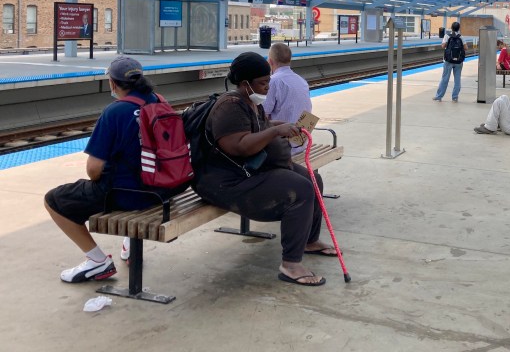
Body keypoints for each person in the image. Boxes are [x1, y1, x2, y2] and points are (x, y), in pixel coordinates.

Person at [193, 52, 334, 287]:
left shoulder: (250, 102)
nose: (268, 87)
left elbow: (259, 127)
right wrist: (274, 132)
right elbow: (238, 146)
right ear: (245, 83)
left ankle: (309, 240)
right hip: (226, 181)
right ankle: (290, 264)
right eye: (263, 82)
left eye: (268, 81)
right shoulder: (229, 106)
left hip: (249, 172)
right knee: (300, 189)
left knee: (312, 179)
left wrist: (277, 125)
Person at [45, 56, 183, 283]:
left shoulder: (115, 112)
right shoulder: (160, 101)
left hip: (131, 197)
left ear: (112, 83)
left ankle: (97, 262)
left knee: (55, 200)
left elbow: (93, 170)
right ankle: (129, 243)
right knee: (131, 170)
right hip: (165, 190)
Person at [262, 42, 312, 134]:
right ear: (289, 60)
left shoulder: (273, 81)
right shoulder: (302, 81)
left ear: (270, 61)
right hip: (302, 139)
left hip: (283, 143)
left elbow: (262, 116)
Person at [433, 21, 464, 102]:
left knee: (445, 78)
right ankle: (455, 97)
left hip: (448, 60)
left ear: (451, 28)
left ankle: (439, 96)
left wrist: (447, 44)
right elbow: (466, 47)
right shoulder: (461, 37)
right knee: (457, 79)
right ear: (459, 28)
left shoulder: (447, 35)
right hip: (458, 62)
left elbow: (443, 46)